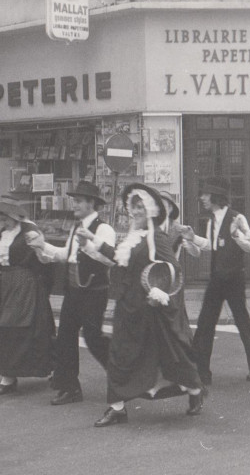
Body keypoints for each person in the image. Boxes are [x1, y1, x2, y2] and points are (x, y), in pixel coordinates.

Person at [77, 183, 205, 427]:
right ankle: (117, 408)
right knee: (118, 355)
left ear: (150, 210)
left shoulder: (157, 236)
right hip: (128, 307)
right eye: (132, 206)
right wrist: (92, 241)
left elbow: (173, 269)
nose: (134, 211)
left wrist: (159, 291)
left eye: (139, 206)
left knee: (171, 356)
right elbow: (117, 258)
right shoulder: (132, 236)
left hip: (149, 308)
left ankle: (195, 392)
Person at [27, 181, 115, 405]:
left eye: (78, 201)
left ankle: (120, 373)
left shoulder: (104, 229)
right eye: (74, 200)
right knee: (65, 337)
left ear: (91, 203)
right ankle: (70, 388)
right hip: (73, 290)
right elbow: (66, 255)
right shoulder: (76, 227)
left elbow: (109, 259)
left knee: (93, 337)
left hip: (94, 290)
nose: (74, 205)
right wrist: (41, 245)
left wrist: (87, 245)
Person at [181, 177, 250, 386]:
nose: (202, 198)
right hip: (217, 278)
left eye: (206, 194)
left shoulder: (237, 217)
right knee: (204, 324)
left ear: (216, 197)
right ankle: (202, 372)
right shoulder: (211, 221)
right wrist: (193, 238)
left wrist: (236, 235)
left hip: (235, 279)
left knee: (242, 322)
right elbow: (211, 246)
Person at [0, 202, 55, 396]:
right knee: (1, 328)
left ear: (14, 216)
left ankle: (44, 370)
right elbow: (5, 259)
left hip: (25, 285)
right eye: (0, 220)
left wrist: (39, 248)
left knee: (20, 328)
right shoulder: (5, 233)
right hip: (6, 284)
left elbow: (45, 259)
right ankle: (8, 375)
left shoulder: (30, 231)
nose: (2, 223)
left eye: (4, 219)